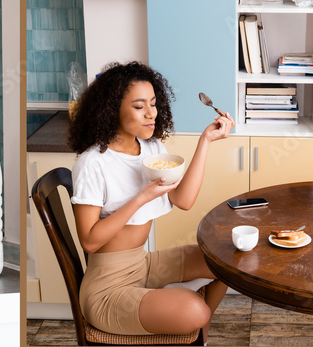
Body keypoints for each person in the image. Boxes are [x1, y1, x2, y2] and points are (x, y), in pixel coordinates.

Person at [68, 61, 234, 339]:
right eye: (138, 106)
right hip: (107, 288)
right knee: (195, 312)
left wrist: (205, 141)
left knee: (226, 263)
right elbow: (89, 241)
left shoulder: (151, 147)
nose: (151, 114)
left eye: (154, 104)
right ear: (112, 109)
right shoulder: (92, 163)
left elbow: (184, 200)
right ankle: (190, 324)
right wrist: (142, 197)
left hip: (142, 264)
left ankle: (194, 333)